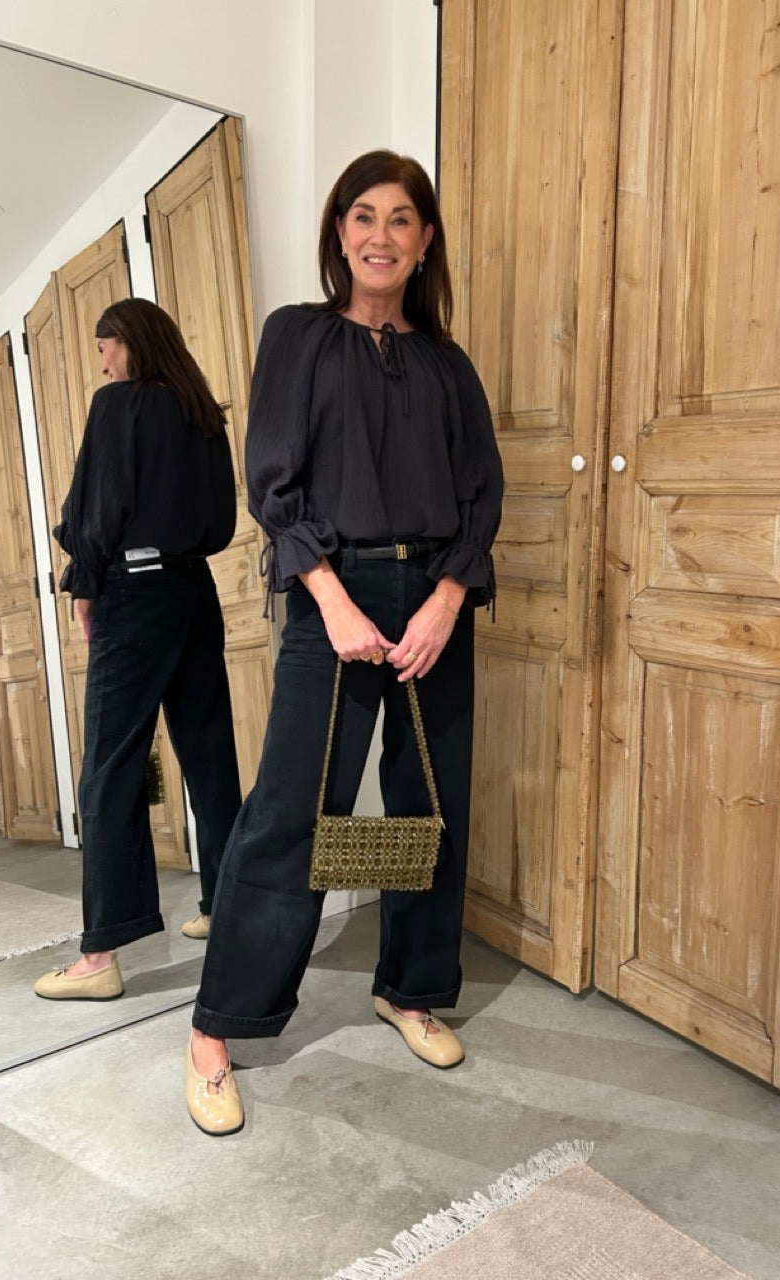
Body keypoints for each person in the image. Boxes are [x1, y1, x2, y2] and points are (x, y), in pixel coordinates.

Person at [184, 150, 504, 1136]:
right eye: (362, 215)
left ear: (425, 241)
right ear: (339, 232)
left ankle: (408, 987)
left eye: (401, 218)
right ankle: (218, 1026)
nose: (380, 235)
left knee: (423, 801)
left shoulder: (449, 364)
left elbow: (481, 492)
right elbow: (271, 479)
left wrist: (446, 600)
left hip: (435, 595)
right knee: (294, 809)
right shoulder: (299, 335)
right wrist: (330, 597)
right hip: (335, 590)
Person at [34, 298, 242, 1001]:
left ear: (128, 341)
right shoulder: (203, 414)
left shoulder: (117, 406)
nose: (102, 364)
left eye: (104, 348)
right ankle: (225, 907)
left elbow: (94, 511)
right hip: (193, 591)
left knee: (112, 762)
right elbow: (221, 523)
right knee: (209, 754)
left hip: (133, 591)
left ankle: (100, 956)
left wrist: (85, 584)